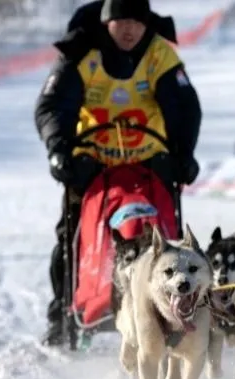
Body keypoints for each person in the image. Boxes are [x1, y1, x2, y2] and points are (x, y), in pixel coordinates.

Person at [34, 0, 202, 347]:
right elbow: (53, 106)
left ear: (147, 23)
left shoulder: (158, 54)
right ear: (107, 20)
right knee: (71, 235)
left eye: (137, 22)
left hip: (148, 163)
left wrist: (183, 155)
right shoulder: (83, 52)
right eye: (121, 21)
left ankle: (172, 307)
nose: (129, 29)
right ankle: (63, 310)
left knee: (161, 235)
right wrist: (59, 151)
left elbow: (186, 108)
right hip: (93, 164)